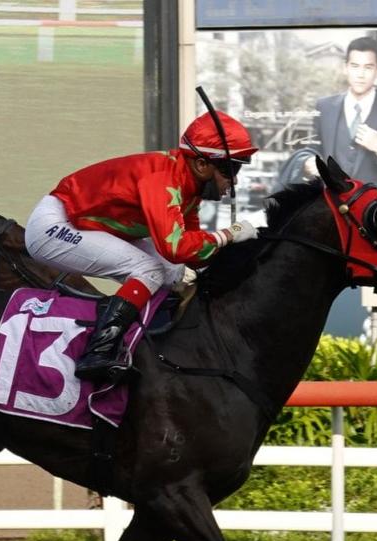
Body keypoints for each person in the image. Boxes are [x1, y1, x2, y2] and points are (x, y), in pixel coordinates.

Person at [23, 110, 259, 380]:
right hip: (54, 226)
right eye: (231, 169)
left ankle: (148, 347)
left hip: (87, 225)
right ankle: (97, 352)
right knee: (150, 270)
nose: (235, 180)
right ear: (202, 165)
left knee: (172, 272)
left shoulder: (189, 189)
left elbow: (191, 256)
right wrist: (228, 234)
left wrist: (231, 249)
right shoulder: (163, 180)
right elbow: (175, 247)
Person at [306, 36, 377, 200]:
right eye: (355, 66)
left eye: (368, 67)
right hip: (332, 211)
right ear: (345, 68)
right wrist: (308, 162)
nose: (360, 74)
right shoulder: (324, 107)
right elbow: (312, 151)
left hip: (375, 214)